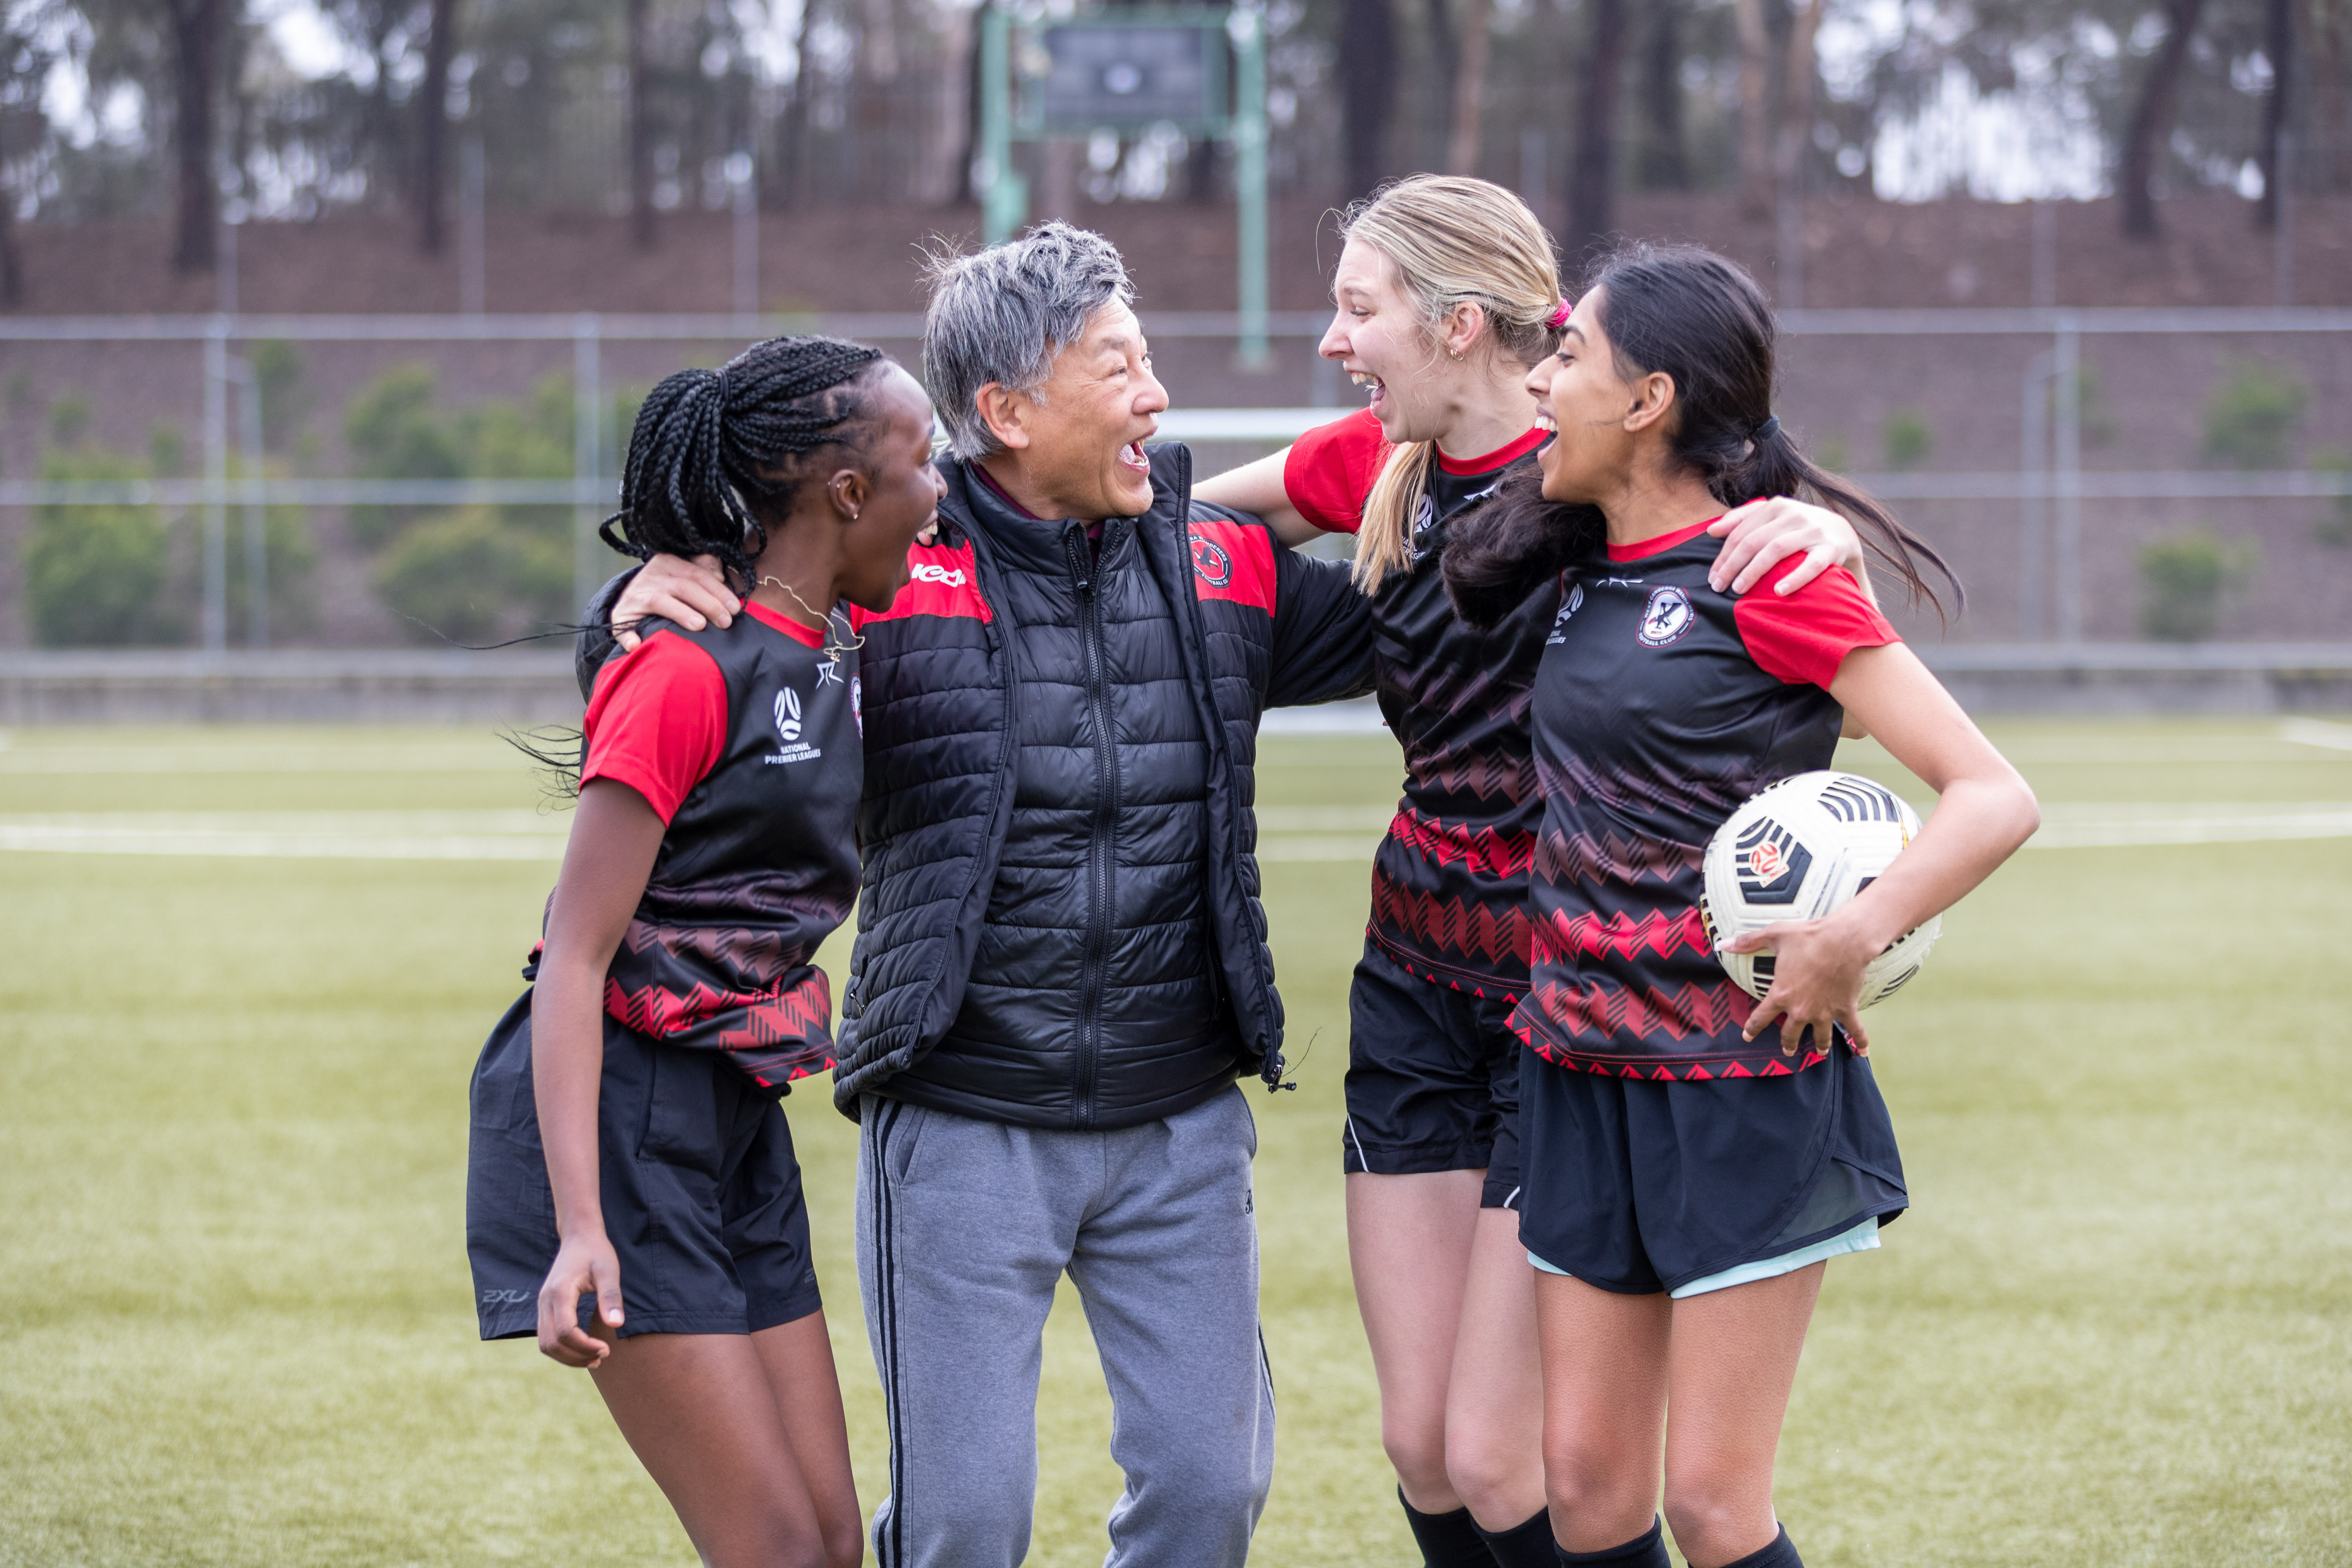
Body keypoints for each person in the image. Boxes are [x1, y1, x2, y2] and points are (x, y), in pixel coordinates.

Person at [589, 221, 1374, 1568]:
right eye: (1118, 365)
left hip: (1179, 1125)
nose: (1156, 396)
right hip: (959, 1123)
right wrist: (642, 588)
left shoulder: (1219, 561)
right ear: (1006, 412)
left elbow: (1429, 620)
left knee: (1208, 1495)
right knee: (964, 1525)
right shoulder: (885, 567)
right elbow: (701, 677)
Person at [1191, 175, 1875, 1568]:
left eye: (1357, 308)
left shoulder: (1601, 476)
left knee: (1507, 1460)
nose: (1331, 339)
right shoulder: (1372, 465)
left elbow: (1797, 632)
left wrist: (1829, 529)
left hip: (1572, 1007)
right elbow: (1154, 525)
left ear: (1457, 323)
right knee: (1425, 1449)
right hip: (1412, 984)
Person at [1441, 243, 2039, 1568]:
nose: (1538, 381)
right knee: (1585, 1491)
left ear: (1646, 398)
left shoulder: (1767, 576)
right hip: (1576, 1067)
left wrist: (1851, 935)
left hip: (1735, 1079)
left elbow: (1991, 795)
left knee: (1712, 1508)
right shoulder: (1573, 560)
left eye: (1567, 357)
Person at [466, 334, 946, 1568]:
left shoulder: (841, 638)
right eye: (923, 463)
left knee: (831, 1543)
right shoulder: (679, 671)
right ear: (849, 493)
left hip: (733, 1112)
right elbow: (574, 960)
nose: (941, 490)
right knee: (776, 1551)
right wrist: (580, 1228)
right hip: (620, 1115)